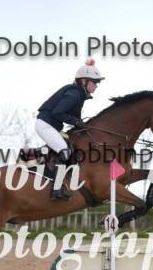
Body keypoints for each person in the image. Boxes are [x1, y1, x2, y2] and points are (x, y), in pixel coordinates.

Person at [36, 59, 104, 199]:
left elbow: (75, 118)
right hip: (45, 125)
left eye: (97, 83)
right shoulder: (74, 94)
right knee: (64, 151)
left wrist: (84, 125)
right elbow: (58, 112)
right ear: (84, 81)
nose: (96, 86)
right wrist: (76, 122)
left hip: (52, 126)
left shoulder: (79, 95)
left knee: (72, 148)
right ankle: (56, 190)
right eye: (94, 82)